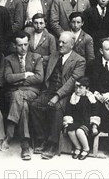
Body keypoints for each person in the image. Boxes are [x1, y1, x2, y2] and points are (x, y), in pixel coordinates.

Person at [27, 31, 86, 159]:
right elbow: (39, 59)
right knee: (35, 105)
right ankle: (41, 139)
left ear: (72, 44)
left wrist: (57, 96)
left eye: (63, 42)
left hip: (66, 95)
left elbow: (71, 83)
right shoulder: (54, 55)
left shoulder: (79, 61)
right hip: (49, 91)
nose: (59, 44)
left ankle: (52, 144)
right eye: (59, 41)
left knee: (56, 108)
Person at [0, 31, 44, 160]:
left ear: (29, 43)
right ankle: (25, 146)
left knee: (19, 96)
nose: (23, 48)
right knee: (23, 105)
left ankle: (10, 133)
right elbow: (8, 78)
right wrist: (25, 75)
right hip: (13, 93)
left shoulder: (37, 57)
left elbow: (39, 78)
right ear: (15, 45)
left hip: (31, 91)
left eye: (26, 44)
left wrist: (19, 80)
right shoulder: (8, 59)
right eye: (20, 45)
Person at [64, 76, 96, 160]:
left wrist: (94, 125)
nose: (78, 90)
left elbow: (95, 112)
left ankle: (86, 149)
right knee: (70, 130)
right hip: (77, 121)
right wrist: (68, 121)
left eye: (81, 88)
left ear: (87, 89)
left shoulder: (91, 98)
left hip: (87, 122)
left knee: (79, 131)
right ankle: (77, 147)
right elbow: (69, 111)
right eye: (76, 88)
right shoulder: (73, 97)